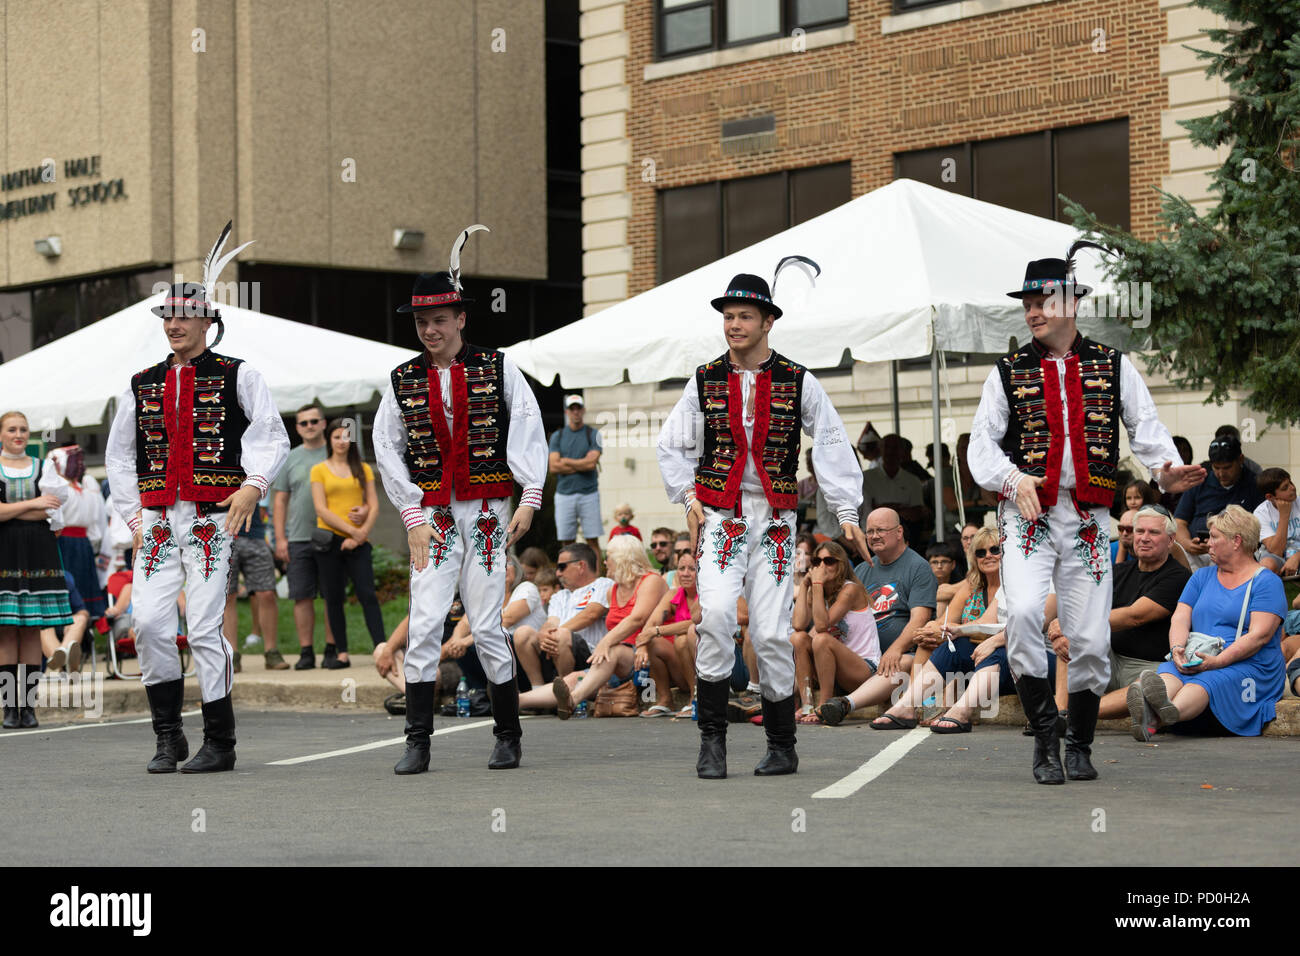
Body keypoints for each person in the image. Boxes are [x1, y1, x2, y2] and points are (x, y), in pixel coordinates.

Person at [967, 241, 1205, 785]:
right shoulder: (1006, 372)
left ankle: (1079, 742)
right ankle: (1045, 741)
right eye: (1027, 302)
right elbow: (980, 446)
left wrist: (1166, 471)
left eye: (1043, 300)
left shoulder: (1112, 365)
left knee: (1092, 639)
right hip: (1027, 515)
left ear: (1071, 304)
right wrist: (1014, 478)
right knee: (1024, 612)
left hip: (1090, 518)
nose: (1032, 311)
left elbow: (1146, 428)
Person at [657, 259, 867, 779]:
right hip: (722, 518)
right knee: (719, 615)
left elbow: (834, 442)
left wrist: (846, 509)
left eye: (744, 315)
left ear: (767, 321)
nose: (734, 325)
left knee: (773, 634)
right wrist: (688, 499)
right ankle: (711, 741)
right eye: (728, 315)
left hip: (774, 521)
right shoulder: (705, 380)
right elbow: (672, 445)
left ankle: (781, 743)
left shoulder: (798, 381)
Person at [104, 222, 290, 772]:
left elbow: (271, 434)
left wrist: (252, 487)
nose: (175, 325)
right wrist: (134, 517)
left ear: (209, 321)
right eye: (168, 316)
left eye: (185, 315)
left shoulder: (239, 374)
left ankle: (221, 743)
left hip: (212, 521)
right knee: (150, 624)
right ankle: (168, 736)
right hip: (159, 523)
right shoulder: (141, 384)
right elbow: (118, 456)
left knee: (206, 627)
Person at [372, 225, 547, 774]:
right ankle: (418, 740)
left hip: (490, 509)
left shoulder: (498, 368)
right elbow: (386, 447)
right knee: (425, 621)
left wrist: (530, 496)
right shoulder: (402, 381)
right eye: (422, 322)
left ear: (461, 318)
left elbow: (526, 430)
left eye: (439, 320)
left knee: (486, 621)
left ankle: (507, 733)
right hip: (433, 516)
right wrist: (411, 513)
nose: (430, 330)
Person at [1126, 506, 1285, 740]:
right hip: (1199, 655)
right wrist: (1177, 648)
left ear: (1236, 541)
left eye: (1214, 537)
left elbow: (1258, 636)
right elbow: (1180, 617)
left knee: (1205, 680)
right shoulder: (1201, 576)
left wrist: (1218, 661)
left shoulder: (1266, 582)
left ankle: (1164, 714)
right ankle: (1156, 710)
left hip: (1247, 663)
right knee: (1170, 672)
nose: (1207, 542)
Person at [862, 527, 1014, 733]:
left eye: (994, 550)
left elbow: (987, 625)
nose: (987, 556)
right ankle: (908, 707)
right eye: (980, 552)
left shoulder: (1013, 584)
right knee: (937, 642)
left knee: (987, 649)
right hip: (975, 659)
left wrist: (952, 629)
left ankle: (958, 712)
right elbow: (945, 620)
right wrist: (930, 629)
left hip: (1009, 660)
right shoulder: (973, 584)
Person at [1050, 504, 1190, 720]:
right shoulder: (1117, 571)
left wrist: (1073, 624)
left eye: (1153, 532)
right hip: (1109, 657)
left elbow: (1134, 616)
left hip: (1149, 665)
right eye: (1140, 531)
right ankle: (1058, 713)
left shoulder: (1178, 577)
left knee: (1151, 685)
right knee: (1070, 640)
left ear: (1171, 540)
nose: (1144, 538)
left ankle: (1077, 716)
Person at [520, 535, 668, 717]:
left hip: (645, 653)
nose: (606, 562)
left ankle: (573, 700)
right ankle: (516, 701)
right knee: (574, 678)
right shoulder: (613, 590)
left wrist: (605, 642)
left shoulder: (650, 580)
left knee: (612, 651)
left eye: (609, 557)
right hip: (614, 659)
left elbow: (637, 618)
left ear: (623, 558)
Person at [309, 418, 385, 667]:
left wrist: (361, 532)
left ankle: (381, 648)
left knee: (367, 594)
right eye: (336, 437)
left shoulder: (362, 468)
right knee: (334, 597)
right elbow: (322, 510)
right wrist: (354, 533)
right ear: (329, 440)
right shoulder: (318, 469)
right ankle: (341, 653)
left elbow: (373, 505)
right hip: (330, 541)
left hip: (359, 540)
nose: (341, 442)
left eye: (345, 437)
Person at [271, 404, 336, 670]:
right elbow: (280, 501)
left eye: (313, 421)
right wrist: (280, 539)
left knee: (332, 596)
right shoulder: (290, 458)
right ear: (297, 428)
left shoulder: (338, 452)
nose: (309, 427)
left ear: (323, 423)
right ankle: (306, 651)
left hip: (333, 535)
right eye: (303, 423)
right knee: (302, 595)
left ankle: (334, 648)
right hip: (298, 537)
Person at [790, 541, 877, 723]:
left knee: (821, 639)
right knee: (798, 638)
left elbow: (822, 626)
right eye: (817, 561)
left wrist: (817, 584)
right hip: (833, 671)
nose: (822, 566)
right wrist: (805, 586)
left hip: (864, 670)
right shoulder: (818, 590)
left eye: (829, 561)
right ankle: (806, 706)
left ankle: (824, 706)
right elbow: (798, 624)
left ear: (841, 564)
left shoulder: (851, 589)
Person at [514, 542, 612, 687]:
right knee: (522, 633)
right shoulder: (559, 596)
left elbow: (591, 614)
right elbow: (552, 621)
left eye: (562, 567)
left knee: (561, 635)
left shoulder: (603, 584)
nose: (558, 573)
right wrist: (544, 633)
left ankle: (566, 697)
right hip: (557, 651)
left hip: (592, 656)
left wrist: (556, 633)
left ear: (581, 566)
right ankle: (537, 691)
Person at [1175, 434, 1262, 571]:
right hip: (1196, 552)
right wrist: (1187, 543)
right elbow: (1179, 522)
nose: (1221, 473)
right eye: (1216, 467)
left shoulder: (1254, 484)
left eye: (1227, 467)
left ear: (1240, 460)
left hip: (1234, 551)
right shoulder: (1199, 481)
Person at [223, 491, 285, 671]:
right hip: (224, 533)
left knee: (266, 592)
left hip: (255, 534)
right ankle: (232, 654)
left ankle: (271, 652)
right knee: (228, 596)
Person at [47, 445, 108, 621]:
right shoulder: (74, 489)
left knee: (75, 587)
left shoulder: (74, 489)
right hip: (73, 543)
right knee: (74, 585)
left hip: (72, 543)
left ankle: (77, 628)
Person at [646, 551, 701, 717]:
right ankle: (665, 700)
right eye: (681, 568)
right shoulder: (673, 594)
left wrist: (657, 631)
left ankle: (695, 698)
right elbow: (652, 622)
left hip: (706, 661)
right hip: (682, 667)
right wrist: (642, 643)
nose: (685, 573)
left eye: (692, 568)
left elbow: (696, 622)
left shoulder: (708, 593)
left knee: (684, 639)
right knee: (652, 642)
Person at [548, 394, 602, 546]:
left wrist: (565, 461)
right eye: (572, 409)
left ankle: (596, 571)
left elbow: (591, 464)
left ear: (583, 410)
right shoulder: (558, 436)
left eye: (578, 408)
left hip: (589, 493)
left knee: (592, 540)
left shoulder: (593, 434)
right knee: (567, 542)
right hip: (564, 494)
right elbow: (553, 466)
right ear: (567, 412)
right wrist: (581, 464)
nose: (576, 412)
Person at [860, 434, 925, 547]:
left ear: (902, 451)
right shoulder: (866, 478)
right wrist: (901, 510)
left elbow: (917, 513)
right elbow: (867, 511)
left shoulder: (913, 480)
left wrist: (881, 508)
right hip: (873, 538)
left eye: (895, 448)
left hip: (905, 538)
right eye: (887, 447)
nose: (890, 452)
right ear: (880, 449)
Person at [1253, 468, 1299, 577]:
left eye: (1290, 483)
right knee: (1266, 565)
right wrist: (1284, 516)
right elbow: (1276, 551)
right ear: (1270, 497)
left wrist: (1297, 556)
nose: (1292, 488)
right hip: (1277, 555)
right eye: (1285, 488)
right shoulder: (1261, 513)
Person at [926, 542, 960, 622]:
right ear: (928, 565)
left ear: (953, 564)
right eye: (934, 562)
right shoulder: (922, 582)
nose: (939, 566)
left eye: (944, 561)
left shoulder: (959, 582)